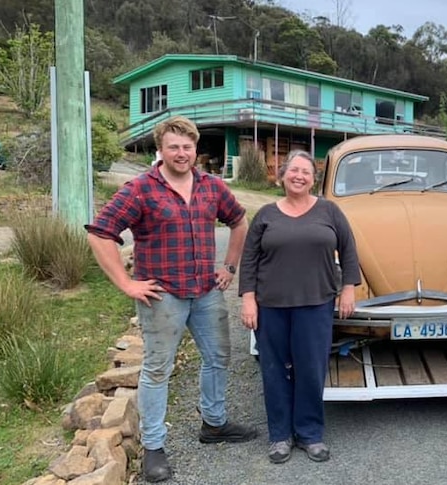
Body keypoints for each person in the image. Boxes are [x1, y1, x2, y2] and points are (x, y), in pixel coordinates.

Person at [85, 115, 257, 483]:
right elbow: (101, 234)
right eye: (174, 147)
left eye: (187, 147)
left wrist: (228, 266)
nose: (181, 153)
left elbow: (239, 221)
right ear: (160, 150)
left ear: (196, 150)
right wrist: (127, 283)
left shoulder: (211, 187)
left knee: (218, 358)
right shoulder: (140, 189)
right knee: (157, 370)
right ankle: (153, 447)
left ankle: (213, 424)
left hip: (206, 292)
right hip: (163, 297)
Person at [239, 150, 361, 464]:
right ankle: (280, 436)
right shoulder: (266, 214)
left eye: (306, 172)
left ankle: (310, 433)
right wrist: (248, 299)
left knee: (310, 370)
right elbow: (249, 260)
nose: (299, 176)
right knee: (274, 370)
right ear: (282, 176)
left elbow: (348, 250)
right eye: (293, 170)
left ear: (313, 179)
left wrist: (348, 288)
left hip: (316, 304)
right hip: (271, 306)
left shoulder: (329, 211)